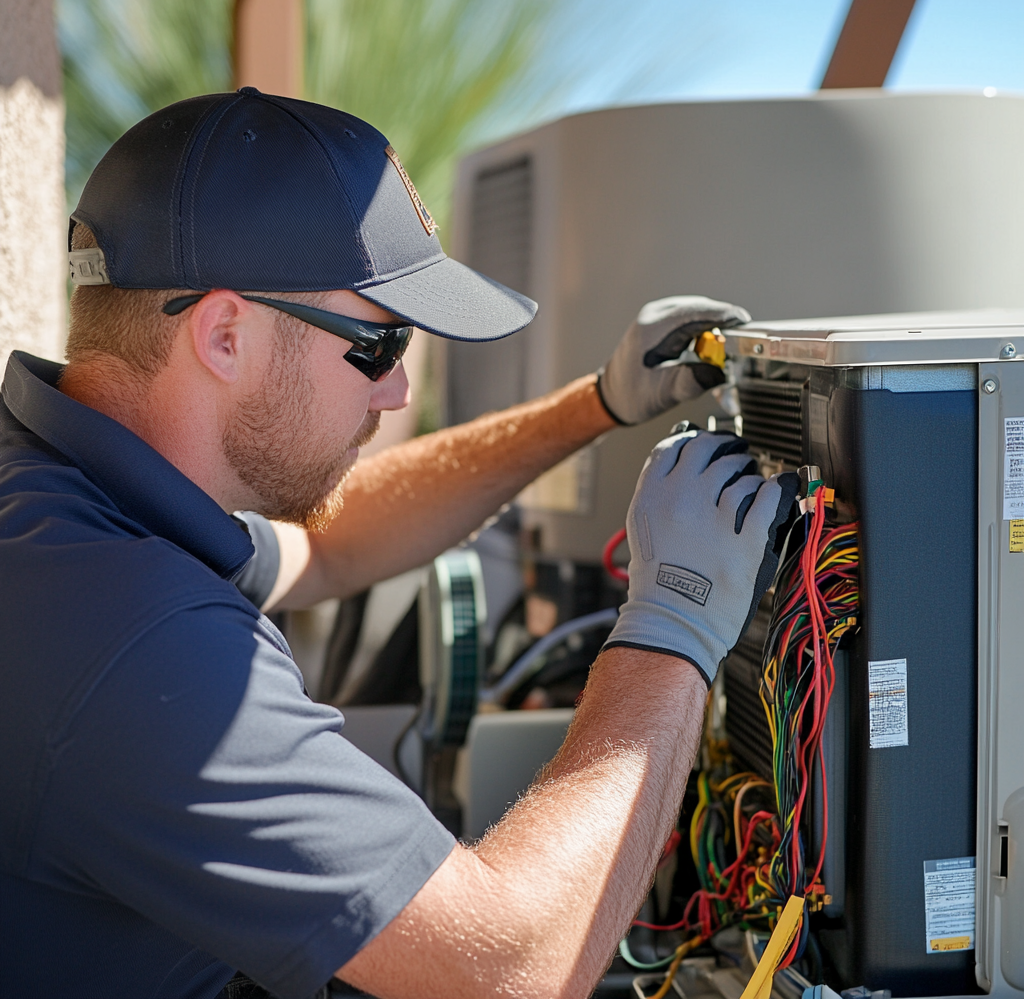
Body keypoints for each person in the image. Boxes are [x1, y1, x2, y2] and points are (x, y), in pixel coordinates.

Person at [0, 89, 796, 999]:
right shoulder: (134, 639)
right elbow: (515, 970)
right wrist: (675, 626)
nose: (397, 391)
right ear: (225, 334)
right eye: (378, 345)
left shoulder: (68, 495)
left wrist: (596, 408)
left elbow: (331, 550)